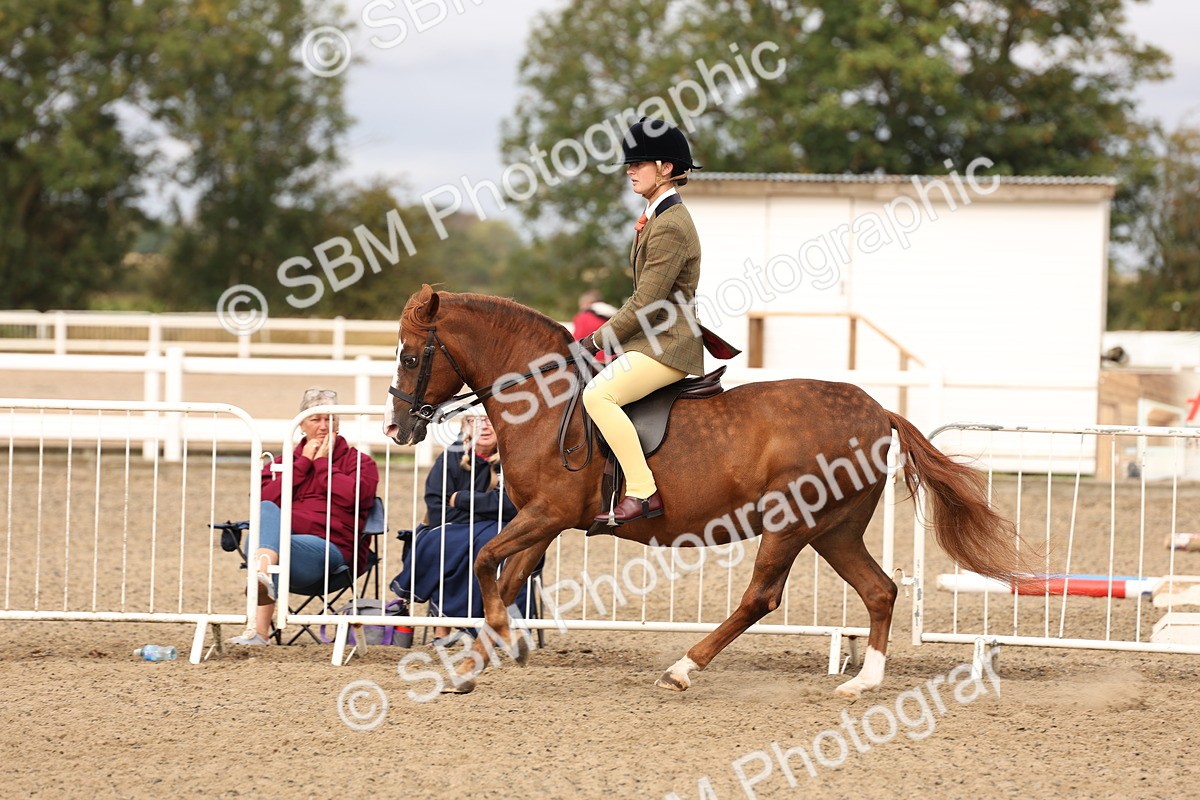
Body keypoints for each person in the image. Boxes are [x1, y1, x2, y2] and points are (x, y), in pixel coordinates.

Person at [579, 117, 704, 524]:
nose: (629, 170)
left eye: (639, 163)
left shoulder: (669, 225)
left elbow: (647, 301)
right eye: (629, 164)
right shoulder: (656, 217)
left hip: (668, 343)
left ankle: (643, 491)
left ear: (665, 168)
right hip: (651, 338)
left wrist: (596, 340)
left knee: (598, 396)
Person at [228, 387, 380, 645]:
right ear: (302, 425)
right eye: (315, 419)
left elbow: (355, 498)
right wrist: (302, 465)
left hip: (329, 552)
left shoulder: (359, 462)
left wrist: (321, 464)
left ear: (338, 423)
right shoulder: (282, 462)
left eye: (329, 418)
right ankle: (263, 582)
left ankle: (260, 604)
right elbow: (263, 500)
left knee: (263, 543)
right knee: (265, 509)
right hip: (281, 548)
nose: (323, 426)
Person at [390, 411, 530, 641]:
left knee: (490, 543)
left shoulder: (515, 460)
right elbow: (437, 509)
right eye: (475, 421)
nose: (484, 427)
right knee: (460, 543)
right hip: (448, 530)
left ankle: (445, 628)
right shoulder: (450, 459)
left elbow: (512, 507)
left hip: (494, 533)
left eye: (489, 420)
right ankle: (450, 627)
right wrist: (486, 515)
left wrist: (463, 499)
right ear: (465, 427)